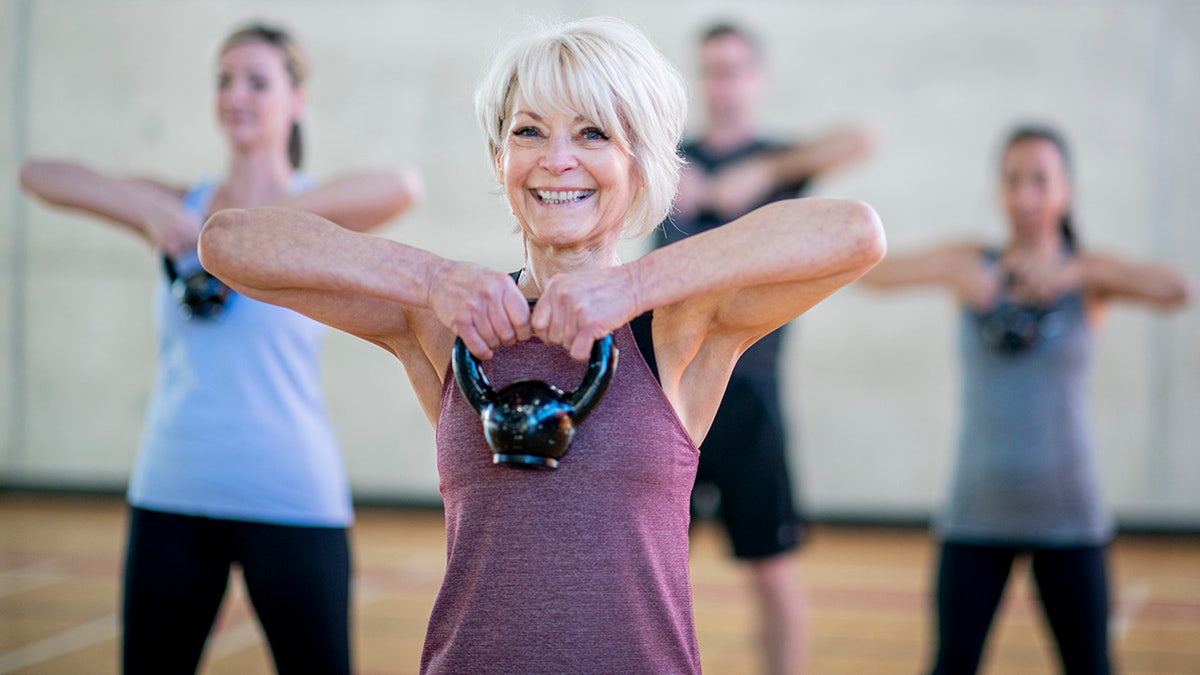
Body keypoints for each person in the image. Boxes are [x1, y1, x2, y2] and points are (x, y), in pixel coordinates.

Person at [199, 16, 885, 674]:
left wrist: (634, 284)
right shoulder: (445, 320)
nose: (557, 161)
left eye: (592, 134)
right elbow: (227, 242)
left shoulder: (676, 327)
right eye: (530, 131)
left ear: (637, 162)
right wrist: (430, 275)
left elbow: (855, 232)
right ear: (502, 159)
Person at [19, 22, 422, 674]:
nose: (237, 94)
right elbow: (39, 173)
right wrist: (147, 211)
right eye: (224, 80)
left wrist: (257, 227)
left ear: (296, 100)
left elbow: (403, 184)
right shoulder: (184, 206)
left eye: (258, 81)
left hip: (291, 493)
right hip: (171, 491)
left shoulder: (312, 214)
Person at [858, 125, 1191, 675]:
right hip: (975, 515)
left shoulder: (1088, 275)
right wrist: (959, 274)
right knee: (951, 664)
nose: (1026, 196)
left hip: (1069, 515)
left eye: (1041, 181)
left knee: (1091, 664)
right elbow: (873, 273)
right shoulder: (971, 260)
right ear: (999, 189)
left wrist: (1077, 272)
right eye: (1014, 180)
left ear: (1067, 191)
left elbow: (1179, 290)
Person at [650, 21, 875, 675]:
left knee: (773, 573)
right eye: (712, 70)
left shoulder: (779, 164)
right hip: (666, 399)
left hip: (751, 399)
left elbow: (861, 137)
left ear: (757, 79)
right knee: (653, 569)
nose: (724, 84)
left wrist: (761, 171)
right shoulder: (668, 163)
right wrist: (665, 176)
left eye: (735, 70)